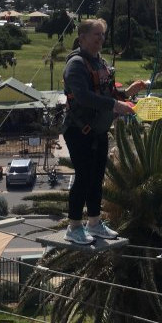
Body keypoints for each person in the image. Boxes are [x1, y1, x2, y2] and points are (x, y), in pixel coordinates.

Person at [62, 18, 147, 244]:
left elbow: (109, 94)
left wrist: (128, 93)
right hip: (79, 131)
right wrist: (115, 106)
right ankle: (73, 226)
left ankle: (94, 222)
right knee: (83, 177)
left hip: (97, 131)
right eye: (96, 34)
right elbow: (83, 97)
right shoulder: (76, 65)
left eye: (102, 35)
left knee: (96, 177)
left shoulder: (101, 63)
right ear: (82, 38)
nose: (101, 39)